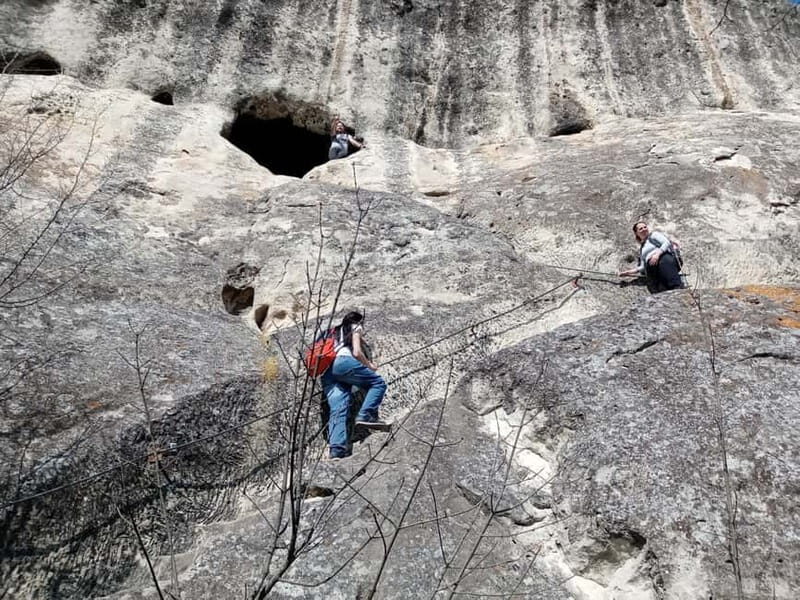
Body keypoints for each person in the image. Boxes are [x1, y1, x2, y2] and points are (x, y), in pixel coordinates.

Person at [321, 311, 387, 459]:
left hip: (327, 371)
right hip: (343, 362)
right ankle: (365, 415)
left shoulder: (332, 332)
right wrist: (369, 365)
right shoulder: (355, 326)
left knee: (338, 409)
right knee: (378, 383)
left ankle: (336, 450)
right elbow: (357, 352)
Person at [618, 221, 684, 293]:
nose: (644, 229)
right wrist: (628, 272)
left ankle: (677, 287)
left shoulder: (653, 235)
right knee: (654, 281)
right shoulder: (642, 249)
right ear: (636, 233)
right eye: (640, 229)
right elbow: (642, 267)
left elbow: (666, 242)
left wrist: (657, 255)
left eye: (645, 227)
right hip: (652, 268)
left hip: (665, 259)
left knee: (664, 261)